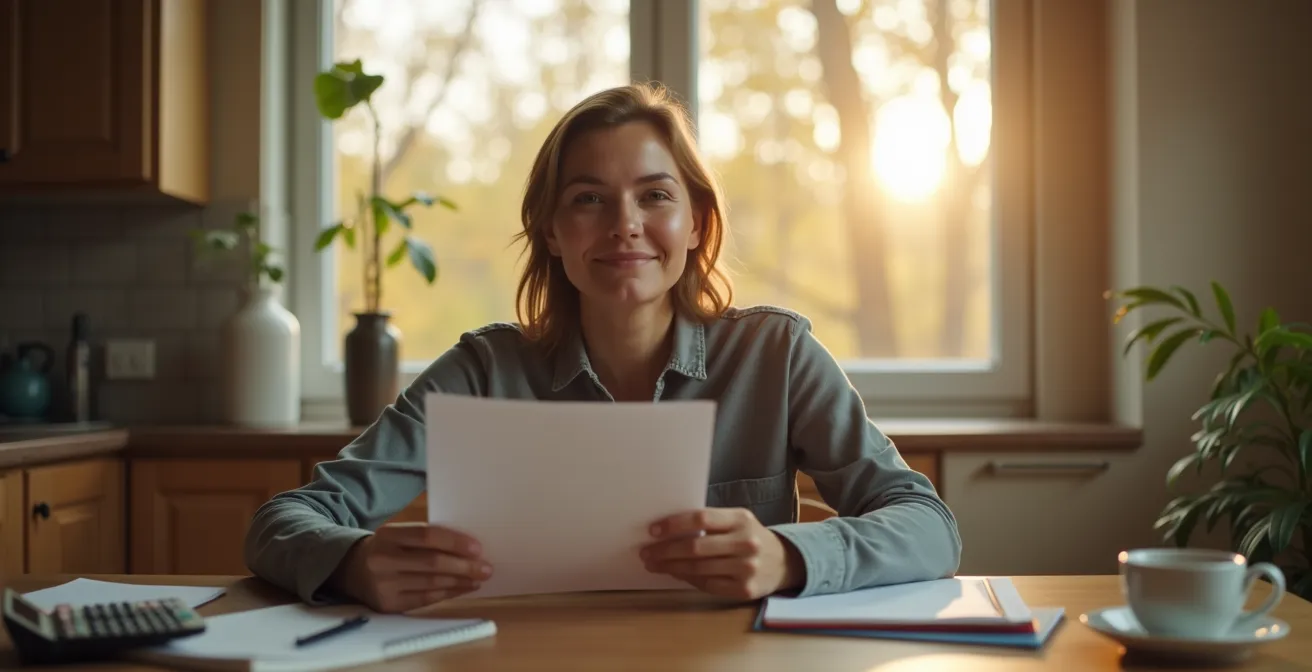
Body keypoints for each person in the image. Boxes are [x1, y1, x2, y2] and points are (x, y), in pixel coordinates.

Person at [244, 82, 961, 614]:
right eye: (589, 199)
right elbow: (280, 523)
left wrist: (788, 556)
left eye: (654, 196)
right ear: (552, 232)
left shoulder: (778, 356)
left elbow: (928, 526)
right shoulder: (480, 371)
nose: (625, 225)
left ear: (695, 225)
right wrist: (353, 563)